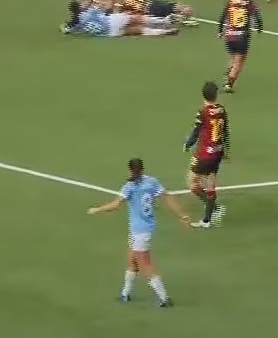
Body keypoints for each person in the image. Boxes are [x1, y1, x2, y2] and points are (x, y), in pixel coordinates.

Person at [87, 158, 191, 306]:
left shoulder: (129, 187)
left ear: (130, 170)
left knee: (145, 265)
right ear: (142, 169)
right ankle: (125, 294)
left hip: (139, 231)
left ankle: (164, 298)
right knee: (132, 260)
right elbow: (168, 198)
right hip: (146, 228)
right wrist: (183, 215)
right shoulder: (152, 182)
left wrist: (97, 210)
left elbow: (115, 205)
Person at [184, 82, 229, 228]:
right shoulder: (222, 110)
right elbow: (225, 131)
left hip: (204, 154)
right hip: (218, 152)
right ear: (216, 95)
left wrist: (187, 144)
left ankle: (215, 208)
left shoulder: (203, 112)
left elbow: (195, 133)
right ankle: (207, 220)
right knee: (210, 183)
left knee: (193, 184)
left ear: (203, 95)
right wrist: (226, 150)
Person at [218, 0, 263, 92]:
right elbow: (257, 15)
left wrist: (220, 31)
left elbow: (223, 16)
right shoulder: (248, 2)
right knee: (239, 62)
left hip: (229, 35)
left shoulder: (231, 1)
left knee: (233, 58)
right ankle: (229, 84)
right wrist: (259, 28)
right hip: (242, 36)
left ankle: (229, 74)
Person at [62, 1, 177, 37]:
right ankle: (164, 21)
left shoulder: (76, 22)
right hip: (112, 21)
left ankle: (165, 32)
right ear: (80, 6)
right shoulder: (89, 11)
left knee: (138, 30)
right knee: (138, 18)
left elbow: (67, 29)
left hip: (109, 33)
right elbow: (104, 10)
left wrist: (64, 27)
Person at [117, 0, 198, 26]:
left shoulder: (127, 1)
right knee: (173, 7)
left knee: (161, 18)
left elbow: (135, 10)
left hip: (152, 9)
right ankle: (183, 12)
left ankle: (183, 15)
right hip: (154, 2)